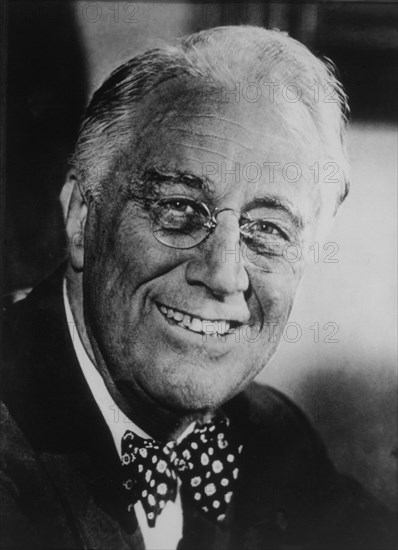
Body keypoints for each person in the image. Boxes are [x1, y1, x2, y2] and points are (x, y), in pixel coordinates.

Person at [1, 26, 395, 550]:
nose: (224, 273)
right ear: (81, 217)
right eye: (179, 208)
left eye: (268, 230)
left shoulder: (272, 435)